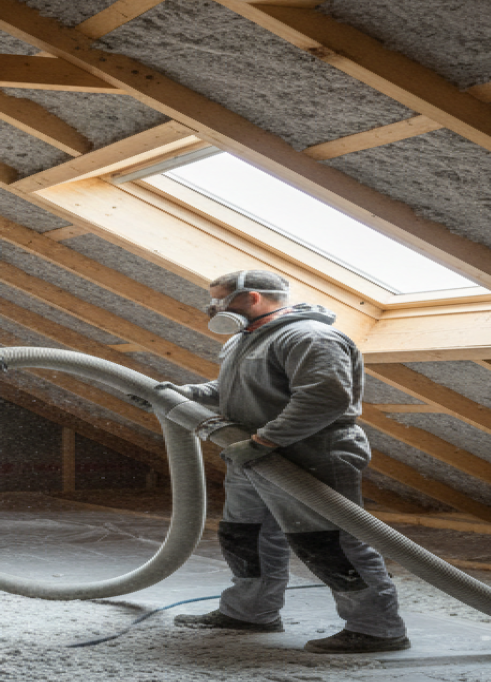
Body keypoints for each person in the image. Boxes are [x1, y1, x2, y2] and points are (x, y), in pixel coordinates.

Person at [167, 269, 409, 654]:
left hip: (308, 453)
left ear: (253, 299)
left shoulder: (310, 337)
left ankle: (377, 629)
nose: (212, 308)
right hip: (250, 453)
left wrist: (265, 440)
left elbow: (325, 398)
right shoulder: (242, 340)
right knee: (244, 536)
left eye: (219, 300)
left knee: (329, 543)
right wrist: (190, 393)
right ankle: (250, 612)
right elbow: (238, 389)